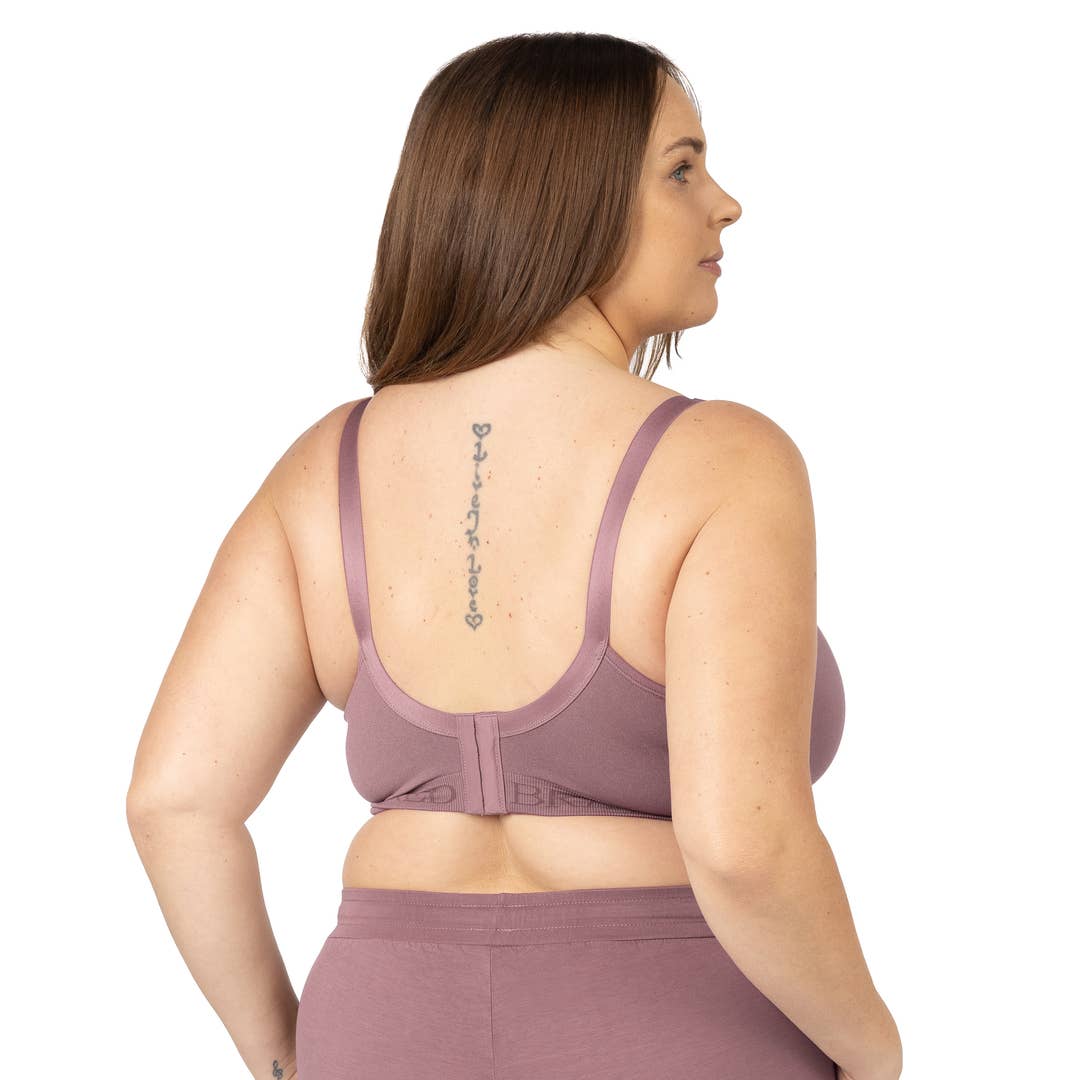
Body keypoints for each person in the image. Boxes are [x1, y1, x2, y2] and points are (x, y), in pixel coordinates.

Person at [126, 31, 902, 1080]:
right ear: (568, 196)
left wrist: (285, 1058)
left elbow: (175, 801)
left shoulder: (323, 469)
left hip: (380, 1028)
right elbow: (741, 845)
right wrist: (872, 1048)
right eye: (682, 169)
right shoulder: (724, 459)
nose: (725, 205)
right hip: (669, 1025)